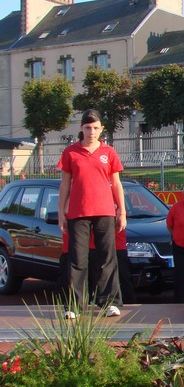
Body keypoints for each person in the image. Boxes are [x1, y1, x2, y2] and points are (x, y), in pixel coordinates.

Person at [57, 109, 126, 318]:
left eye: (95, 128)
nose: (92, 132)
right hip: (78, 212)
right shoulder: (70, 152)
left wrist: (122, 212)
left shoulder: (109, 152)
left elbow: (116, 184)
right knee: (77, 259)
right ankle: (74, 306)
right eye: (88, 128)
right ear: (81, 128)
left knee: (107, 257)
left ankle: (109, 302)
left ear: (101, 129)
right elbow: (65, 184)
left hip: (105, 211)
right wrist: (61, 213)